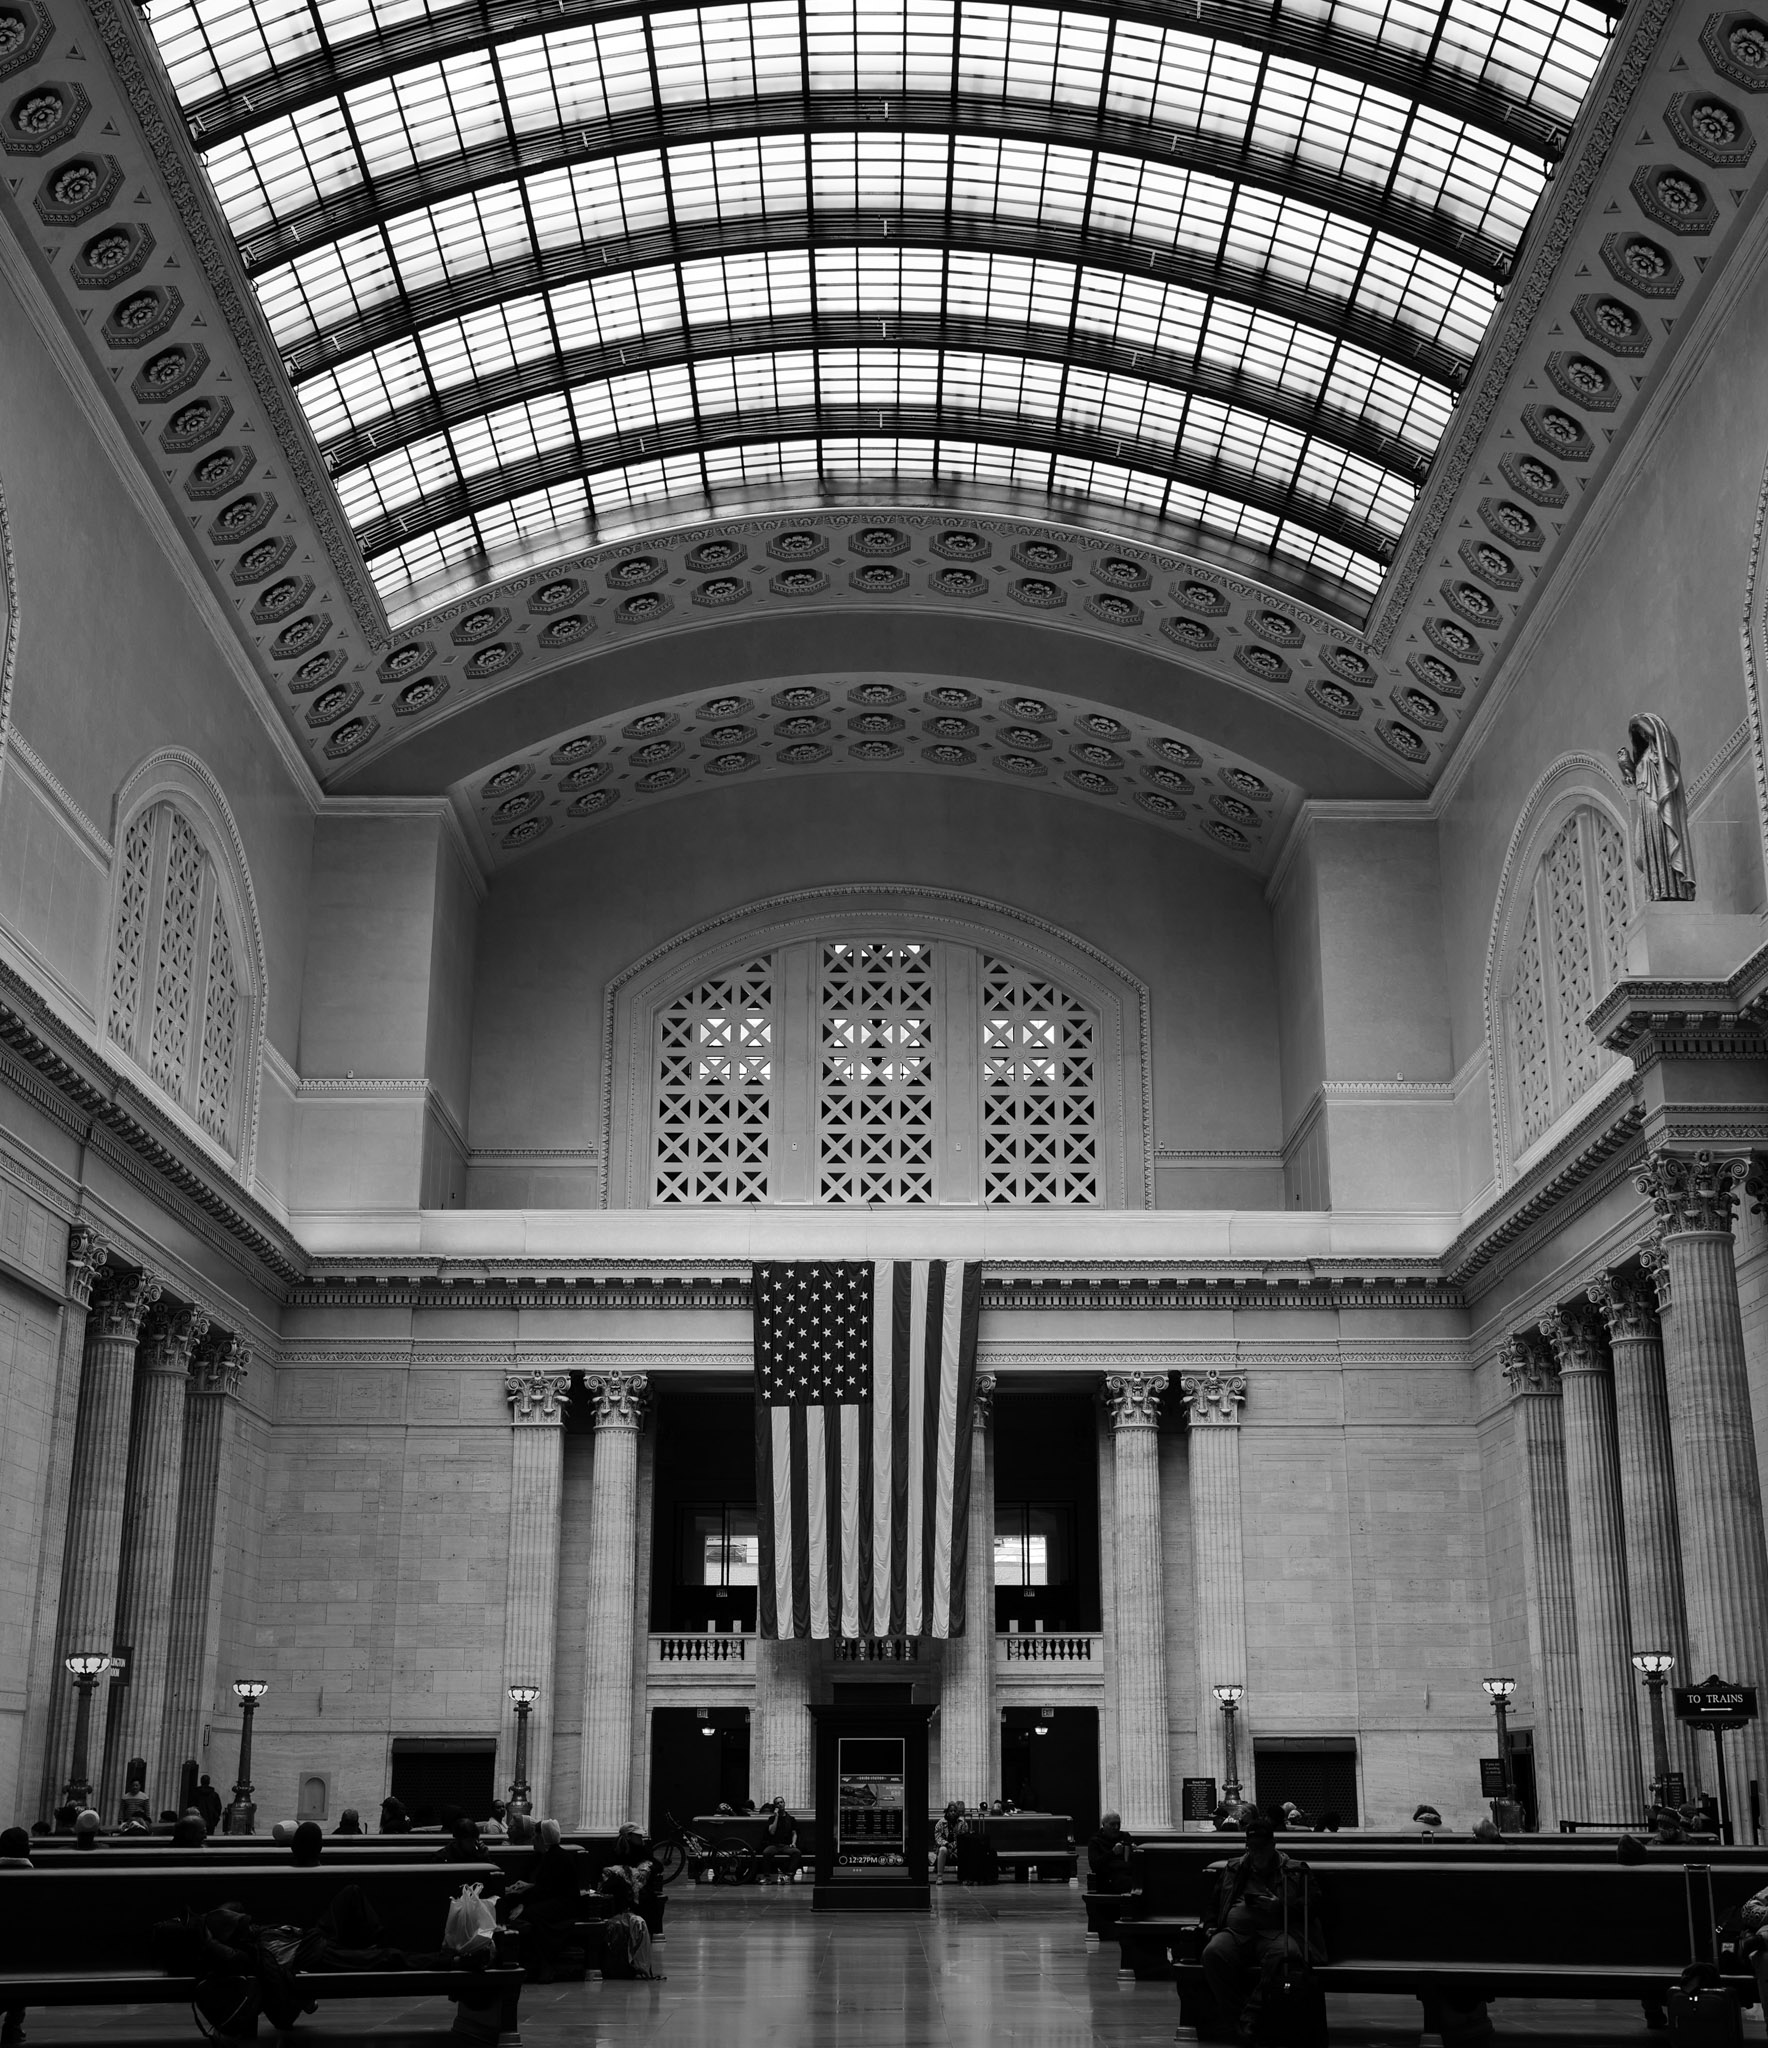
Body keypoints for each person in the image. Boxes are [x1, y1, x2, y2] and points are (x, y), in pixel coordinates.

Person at [1201, 1811, 1326, 2041]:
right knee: (1213, 1953)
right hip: (1237, 1933)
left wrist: (1281, 1906)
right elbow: (1214, 1902)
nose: (1257, 1853)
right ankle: (1239, 2017)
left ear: (1273, 1845)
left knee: (1287, 1954)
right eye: (1252, 1848)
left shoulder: (1295, 1869)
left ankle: (1252, 2015)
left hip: (1278, 1931)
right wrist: (1210, 1925)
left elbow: (1314, 1906)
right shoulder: (1234, 1868)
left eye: (1262, 1848)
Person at [1085, 1811, 1135, 1894]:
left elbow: (1132, 1860)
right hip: (1108, 1878)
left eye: (1118, 1824)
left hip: (1128, 1873)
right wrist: (1112, 1853)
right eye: (1112, 1824)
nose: (1116, 1827)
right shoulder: (1095, 1841)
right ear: (1103, 1825)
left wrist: (1136, 1851)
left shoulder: (1125, 1836)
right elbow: (1094, 1865)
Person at [760, 1799, 800, 1883]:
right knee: (766, 1852)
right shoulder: (772, 1818)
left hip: (786, 1846)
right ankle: (767, 1877)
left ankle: (789, 1875)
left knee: (796, 1852)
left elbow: (794, 1833)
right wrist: (776, 1817)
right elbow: (772, 1831)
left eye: (781, 1802)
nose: (780, 1804)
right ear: (775, 1806)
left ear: (784, 1804)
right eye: (777, 1803)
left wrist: (793, 1843)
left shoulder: (791, 1819)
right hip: (774, 1845)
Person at [933, 1801, 965, 1884]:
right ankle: (939, 1877)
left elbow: (964, 1837)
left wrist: (955, 1845)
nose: (953, 1813)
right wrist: (947, 1844)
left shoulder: (962, 1823)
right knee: (942, 1850)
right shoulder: (940, 1823)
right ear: (947, 1812)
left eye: (955, 1811)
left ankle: (963, 1877)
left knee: (964, 1850)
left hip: (958, 1847)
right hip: (944, 1847)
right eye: (951, 1811)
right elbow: (937, 1837)